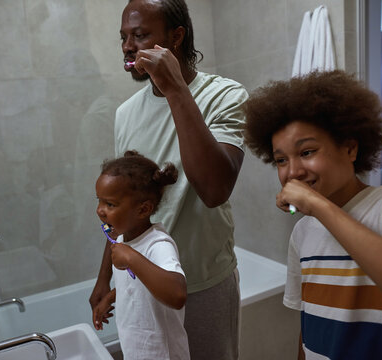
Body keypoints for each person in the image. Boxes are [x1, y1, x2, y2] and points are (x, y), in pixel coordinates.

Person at [89, 1, 248, 358]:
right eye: (124, 37)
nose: (128, 46)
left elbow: (214, 190)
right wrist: (104, 277)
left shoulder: (225, 96)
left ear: (176, 37)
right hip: (143, 281)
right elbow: (121, 205)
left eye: (140, 35)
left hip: (203, 285)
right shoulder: (126, 113)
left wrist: (175, 88)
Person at [243, 70, 382, 360]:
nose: (293, 171)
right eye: (281, 160)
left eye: (307, 151)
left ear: (350, 148)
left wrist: (320, 207)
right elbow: (308, 324)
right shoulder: (302, 233)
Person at [93, 150, 189, 359]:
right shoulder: (122, 240)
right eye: (99, 201)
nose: (100, 210)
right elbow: (136, 285)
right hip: (137, 351)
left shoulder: (158, 244)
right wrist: (109, 298)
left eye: (110, 204)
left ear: (143, 209)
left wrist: (131, 258)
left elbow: (178, 294)